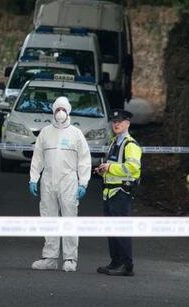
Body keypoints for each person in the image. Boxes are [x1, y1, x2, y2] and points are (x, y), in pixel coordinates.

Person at [28, 96, 91, 272]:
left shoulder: (76, 134)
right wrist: (34, 178)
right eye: (57, 109)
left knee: (69, 218)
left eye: (63, 109)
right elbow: (38, 157)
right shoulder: (45, 133)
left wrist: (83, 183)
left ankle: (70, 259)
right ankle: (50, 257)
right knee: (48, 218)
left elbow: (84, 160)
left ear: (68, 110)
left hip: (69, 182)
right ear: (53, 111)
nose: (60, 113)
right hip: (47, 181)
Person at [95, 109, 141, 277]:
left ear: (127, 124)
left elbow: (133, 169)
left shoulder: (130, 145)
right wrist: (103, 170)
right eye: (114, 121)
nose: (116, 124)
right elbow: (115, 166)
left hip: (121, 192)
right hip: (110, 193)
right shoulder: (115, 142)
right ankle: (115, 262)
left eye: (120, 121)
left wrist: (110, 167)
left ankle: (126, 265)